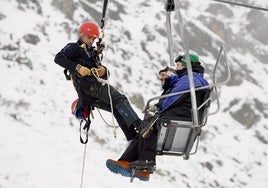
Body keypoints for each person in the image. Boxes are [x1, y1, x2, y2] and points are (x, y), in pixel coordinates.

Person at [106, 53, 209, 181]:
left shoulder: (190, 79)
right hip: (183, 114)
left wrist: (159, 108)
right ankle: (127, 162)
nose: (176, 68)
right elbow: (178, 85)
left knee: (149, 124)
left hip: (181, 114)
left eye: (178, 65)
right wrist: (167, 82)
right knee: (146, 128)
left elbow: (173, 97)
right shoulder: (193, 78)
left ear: (187, 66)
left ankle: (146, 162)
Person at [54, 21, 142, 141]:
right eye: (89, 37)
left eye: (93, 39)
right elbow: (58, 58)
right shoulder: (74, 48)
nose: (91, 41)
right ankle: (139, 126)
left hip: (88, 95)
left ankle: (132, 137)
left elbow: (105, 75)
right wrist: (78, 68)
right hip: (91, 87)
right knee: (119, 99)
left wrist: (103, 71)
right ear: (81, 35)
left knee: (115, 108)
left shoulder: (93, 54)